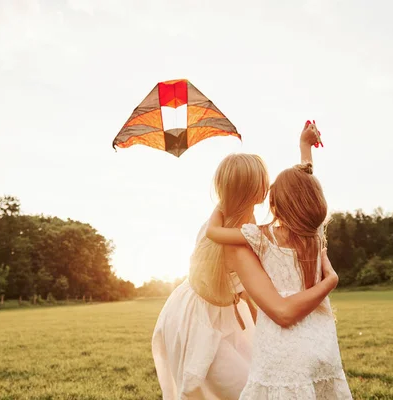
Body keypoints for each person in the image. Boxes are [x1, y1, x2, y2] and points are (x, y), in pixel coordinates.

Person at [151, 124, 340, 400]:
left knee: (257, 381)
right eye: (264, 180)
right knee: (234, 388)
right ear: (257, 190)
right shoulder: (237, 236)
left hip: (230, 312)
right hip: (198, 316)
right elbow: (303, 203)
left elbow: (303, 199)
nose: (269, 184)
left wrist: (304, 149)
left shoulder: (246, 228)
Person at [205, 156, 353, 399]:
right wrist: (305, 151)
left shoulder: (263, 236)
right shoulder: (314, 236)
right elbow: (305, 187)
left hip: (281, 345)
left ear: (274, 204)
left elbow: (214, 232)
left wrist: (223, 203)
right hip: (320, 340)